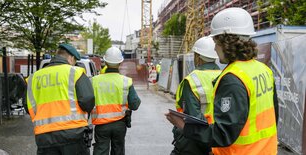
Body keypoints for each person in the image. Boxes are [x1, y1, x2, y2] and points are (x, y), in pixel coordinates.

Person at [166, 7, 279, 155]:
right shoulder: (264, 70)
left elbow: (223, 134)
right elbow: (273, 116)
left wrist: (184, 126)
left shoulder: (233, 78)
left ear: (226, 42)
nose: (214, 47)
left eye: (215, 41)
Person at [25, 43, 95, 155]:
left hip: (44, 137)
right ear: (71, 57)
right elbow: (88, 100)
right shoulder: (75, 72)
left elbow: (27, 106)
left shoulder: (34, 78)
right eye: (75, 61)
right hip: (73, 134)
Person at [171, 36, 221, 155]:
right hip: (219, 138)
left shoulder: (192, 80)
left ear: (197, 57)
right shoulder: (225, 75)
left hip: (195, 141)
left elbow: (192, 115)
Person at [91, 47, 141, 155]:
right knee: (118, 150)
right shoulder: (125, 81)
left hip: (101, 125)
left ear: (106, 62)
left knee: (100, 150)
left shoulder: (94, 81)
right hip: (119, 124)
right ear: (120, 63)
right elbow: (135, 104)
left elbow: (87, 101)